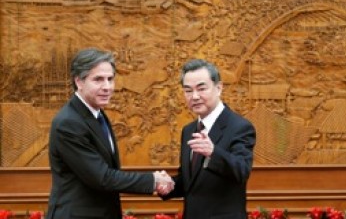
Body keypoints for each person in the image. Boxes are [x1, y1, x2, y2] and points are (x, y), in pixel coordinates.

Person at [46, 48, 174, 219]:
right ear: (79, 81)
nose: (107, 87)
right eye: (98, 79)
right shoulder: (69, 123)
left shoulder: (96, 113)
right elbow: (102, 177)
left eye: (110, 79)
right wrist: (154, 181)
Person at [161, 59, 256, 219]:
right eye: (188, 90)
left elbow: (242, 170)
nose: (195, 96)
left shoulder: (240, 126)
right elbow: (191, 181)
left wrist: (213, 152)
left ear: (218, 88)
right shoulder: (189, 130)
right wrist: (167, 185)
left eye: (201, 88)